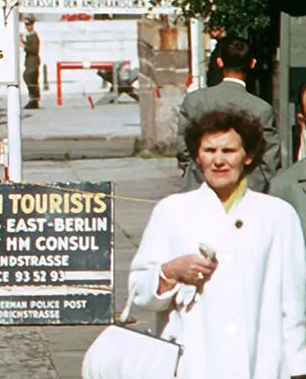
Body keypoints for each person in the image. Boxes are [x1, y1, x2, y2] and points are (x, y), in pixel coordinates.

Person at [124, 109, 306, 379]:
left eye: (229, 151)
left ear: (248, 156)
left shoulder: (277, 215)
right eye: (209, 150)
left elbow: (293, 303)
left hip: (260, 365)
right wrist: (171, 272)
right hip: (192, 364)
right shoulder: (172, 211)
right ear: (197, 156)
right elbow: (139, 291)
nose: (219, 160)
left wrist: (298, 368)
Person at [177, 35, 279, 190]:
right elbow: (269, 157)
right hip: (247, 187)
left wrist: (191, 171)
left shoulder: (194, 101)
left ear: (219, 62)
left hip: (200, 183)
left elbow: (184, 148)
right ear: (252, 64)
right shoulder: (261, 108)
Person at [22, 16, 41, 109]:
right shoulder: (30, 35)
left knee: (29, 77)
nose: (28, 26)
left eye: (29, 24)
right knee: (29, 78)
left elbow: (34, 49)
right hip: (30, 61)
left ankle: (34, 99)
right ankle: (33, 98)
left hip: (33, 61)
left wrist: (23, 46)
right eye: (26, 25)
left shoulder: (33, 36)